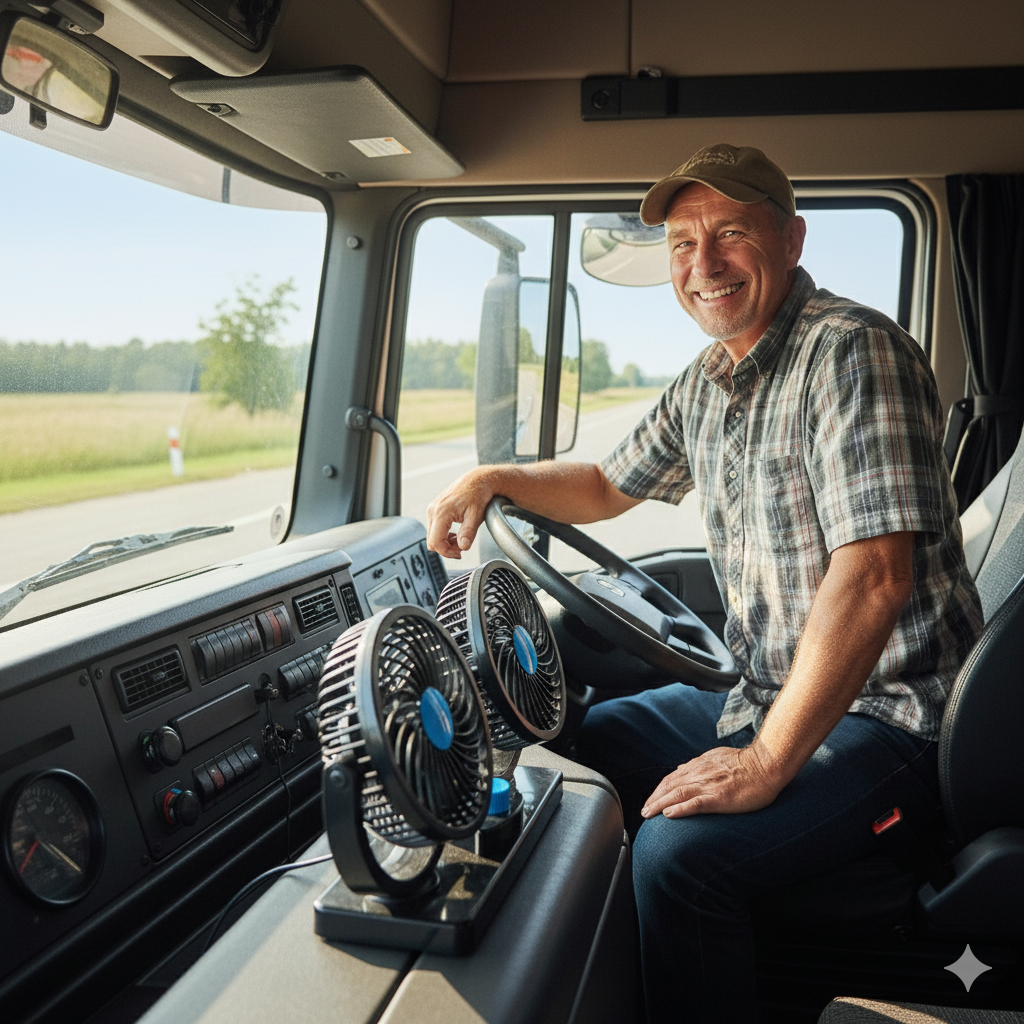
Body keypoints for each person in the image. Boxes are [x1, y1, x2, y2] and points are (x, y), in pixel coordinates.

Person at [426, 144, 983, 1022]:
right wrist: (491, 478)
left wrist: (766, 761)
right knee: (591, 744)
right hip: (768, 687)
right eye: (683, 242)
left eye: (730, 232)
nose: (703, 263)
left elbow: (875, 576)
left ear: (791, 240)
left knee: (678, 857)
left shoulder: (853, 353)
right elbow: (609, 486)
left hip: (895, 718)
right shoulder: (711, 380)